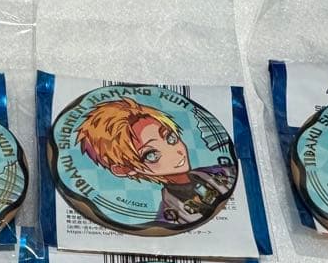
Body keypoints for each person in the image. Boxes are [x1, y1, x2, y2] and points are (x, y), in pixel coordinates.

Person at [75, 97, 235, 226]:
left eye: (170, 138)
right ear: (124, 169)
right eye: (151, 155)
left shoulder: (223, 171)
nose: (175, 152)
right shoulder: (168, 217)